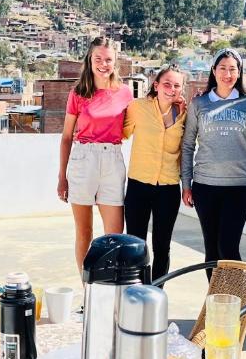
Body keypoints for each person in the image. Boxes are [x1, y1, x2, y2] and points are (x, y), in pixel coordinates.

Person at [58, 37, 133, 272]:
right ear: (90, 60)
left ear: (115, 62)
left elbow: (137, 124)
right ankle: (88, 291)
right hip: (83, 159)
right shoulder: (78, 93)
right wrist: (62, 177)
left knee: (115, 235)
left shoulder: (125, 93)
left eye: (108, 59)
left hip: (112, 160)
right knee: (85, 232)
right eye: (98, 58)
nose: (103, 64)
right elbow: (67, 136)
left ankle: (109, 288)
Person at [181, 48, 246, 277]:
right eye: (222, 68)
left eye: (233, 69)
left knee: (229, 248)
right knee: (212, 250)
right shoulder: (199, 104)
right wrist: (186, 184)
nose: (227, 73)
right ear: (214, 71)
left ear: (239, 72)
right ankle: (216, 306)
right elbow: (187, 145)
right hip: (205, 187)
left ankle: (236, 305)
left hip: (238, 187)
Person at [123, 64, 187, 280]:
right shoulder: (137, 107)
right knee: (135, 243)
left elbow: (188, 148)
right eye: (167, 83)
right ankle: (135, 290)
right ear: (156, 85)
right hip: (138, 185)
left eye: (177, 85)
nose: (171, 88)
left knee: (162, 246)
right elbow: (120, 133)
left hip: (168, 188)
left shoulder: (184, 113)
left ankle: (156, 292)